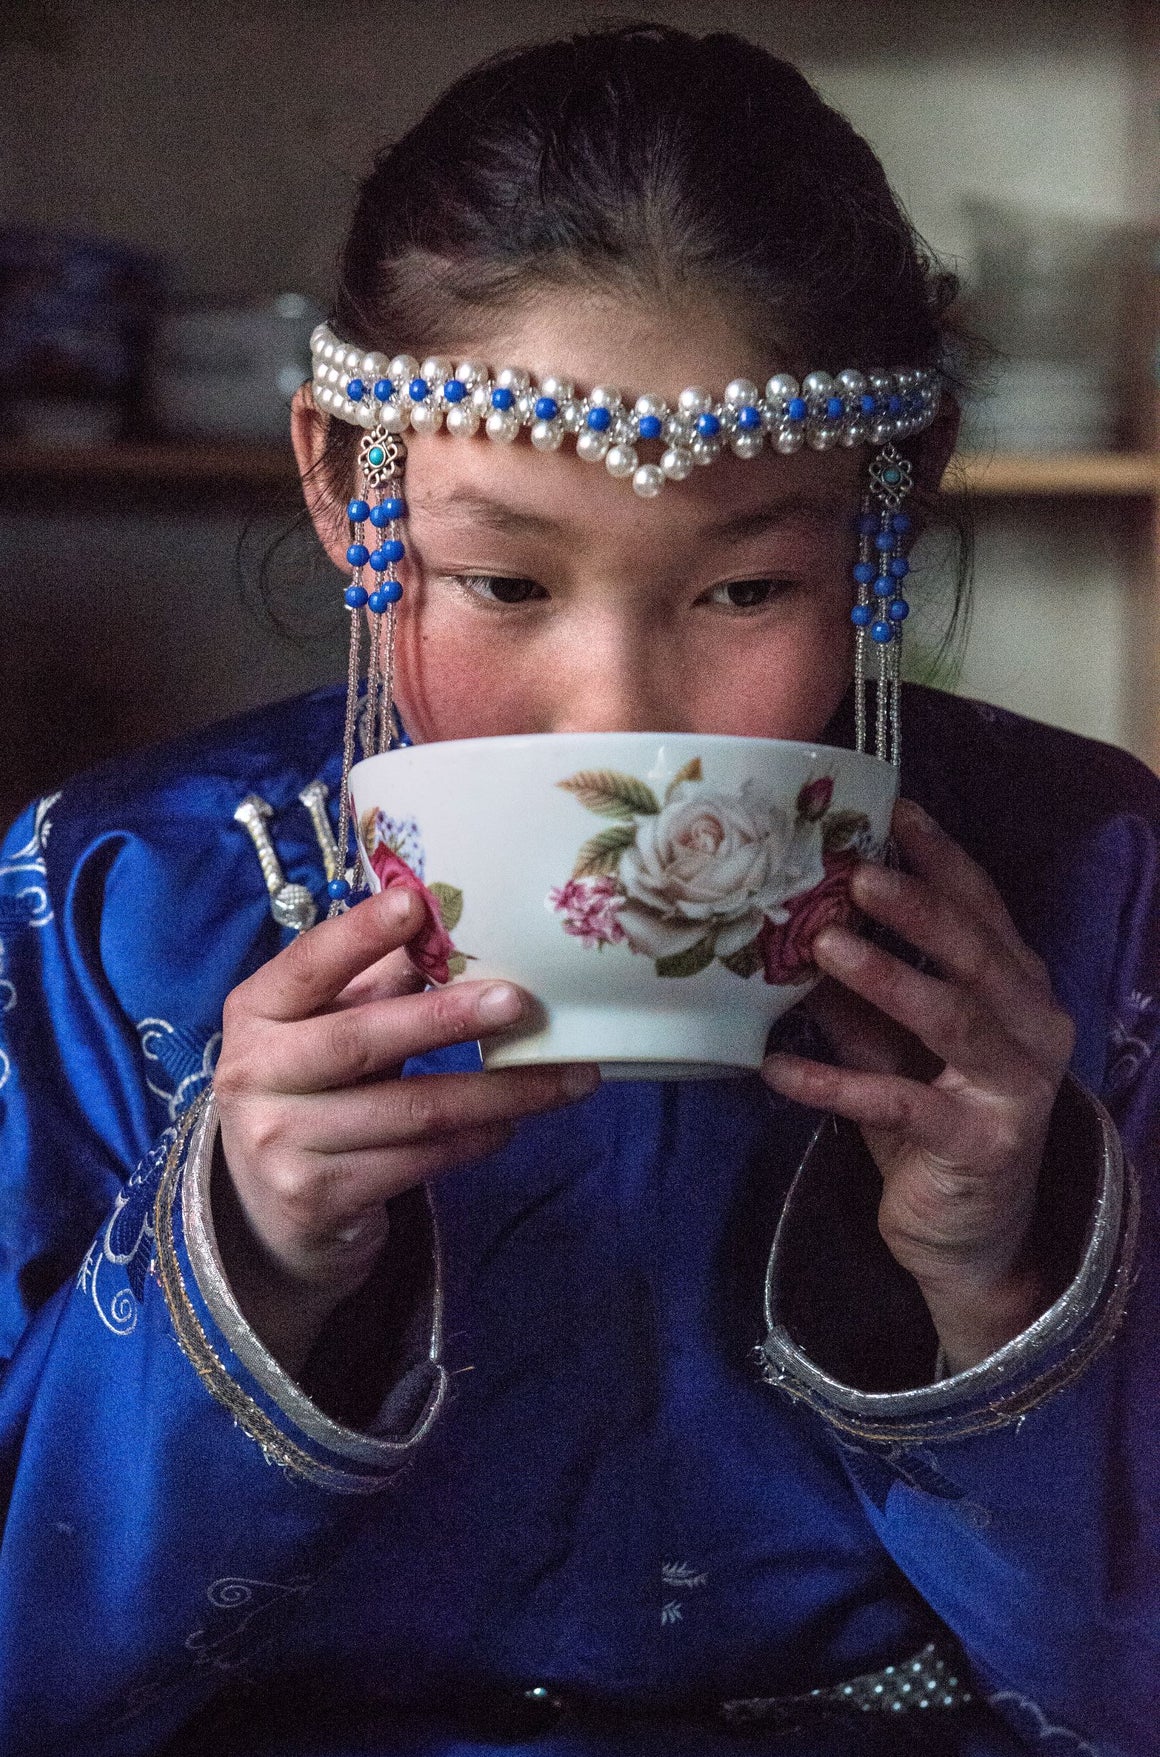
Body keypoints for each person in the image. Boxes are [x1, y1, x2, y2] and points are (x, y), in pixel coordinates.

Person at [0, 25, 1156, 1757]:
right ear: (342, 483)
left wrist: (1002, 1263)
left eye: (752, 585)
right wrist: (248, 1255)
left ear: (885, 512)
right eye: (501, 578)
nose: (619, 712)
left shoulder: (1095, 884)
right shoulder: (117, 898)